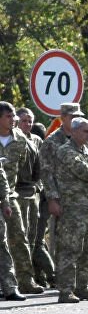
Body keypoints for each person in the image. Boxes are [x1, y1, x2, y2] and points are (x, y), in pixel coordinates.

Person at [47, 116, 88, 303]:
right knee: (70, 249)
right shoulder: (65, 151)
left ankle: (82, 287)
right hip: (72, 208)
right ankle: (65, 290)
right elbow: (83, 171)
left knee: (87, 249)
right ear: (73, 132)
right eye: (85, 131)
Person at [8, 105, 52, 290]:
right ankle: (18, 279)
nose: (27, 124)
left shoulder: (36, 140)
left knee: (33, 238)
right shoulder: (12, 140)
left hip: (33, 192)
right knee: (17, 237)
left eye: (30, 121)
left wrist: (41, 189)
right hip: (16, 191)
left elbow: (41, 168)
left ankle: (31, 277)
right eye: (24, 120)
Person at [0, 102, 24, 301]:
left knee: (8, 242)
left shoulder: (20, 140)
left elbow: (32, 168)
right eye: (9, 116)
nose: (13, 119)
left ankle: (11, 286)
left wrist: (6, 200)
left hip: (8, 196)